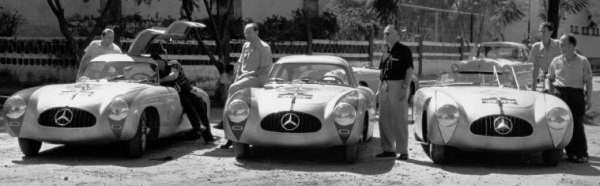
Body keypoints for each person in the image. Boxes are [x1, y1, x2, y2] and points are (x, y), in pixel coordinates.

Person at [219, 23, 273, 149]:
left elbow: (265, 69)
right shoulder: (246, 46)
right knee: (232, 88)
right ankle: (229, 129)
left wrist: (246, 75)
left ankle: (225, 122)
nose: (246, 35)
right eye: (245, 33)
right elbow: (240, 64)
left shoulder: (264, 47)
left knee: (232, 89)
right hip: (245, 78)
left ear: (256, 32)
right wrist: (238, 76)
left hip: (257, 79)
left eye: (248, 32)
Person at [544, 34, 592, 163]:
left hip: (576, 95)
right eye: (560, 43)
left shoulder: (583, 61)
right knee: (562, 124)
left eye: (563, 43)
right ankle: (571, 154)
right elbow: (549, 77)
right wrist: (550, 90)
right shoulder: (556, 60)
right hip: (560, 94)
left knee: (576, 124)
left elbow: (588, 81)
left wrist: (590, 99)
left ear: (572, 45)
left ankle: (582, 153)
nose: (560, 46)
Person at [152, 51, 213, 142]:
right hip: (177, 93)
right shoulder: (157, 72)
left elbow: (174, 75)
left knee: (199, 103)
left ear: (159, 60)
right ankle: (198, 127)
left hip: (186, 88)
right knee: (186, 102)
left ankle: (207, 135)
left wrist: (160, 80)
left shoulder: (173, 63)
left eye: (155, 63)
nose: (154, 67)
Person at [375, 25, 413, 160]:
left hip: (398, 85)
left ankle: (403, 151)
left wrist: (404, 88)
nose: (385, 35)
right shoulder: (386, 50)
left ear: (397, 35)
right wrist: (378, 90)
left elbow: (409, 70)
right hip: (384, 86)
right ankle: (388, 149)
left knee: (399, 119)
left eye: (388, 33)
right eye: (384, 33)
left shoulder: (404, 50)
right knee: (383, 119)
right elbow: (382, 73)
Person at [529, 22, 561, 91]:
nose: (542, 34)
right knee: (547, 96)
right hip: (547, 78)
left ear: (551, 32)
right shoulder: (536, 47)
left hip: (560, 78)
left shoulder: (559, 45)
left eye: (544, 31)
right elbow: (535, 68)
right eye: (541, 31)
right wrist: (533, 87)